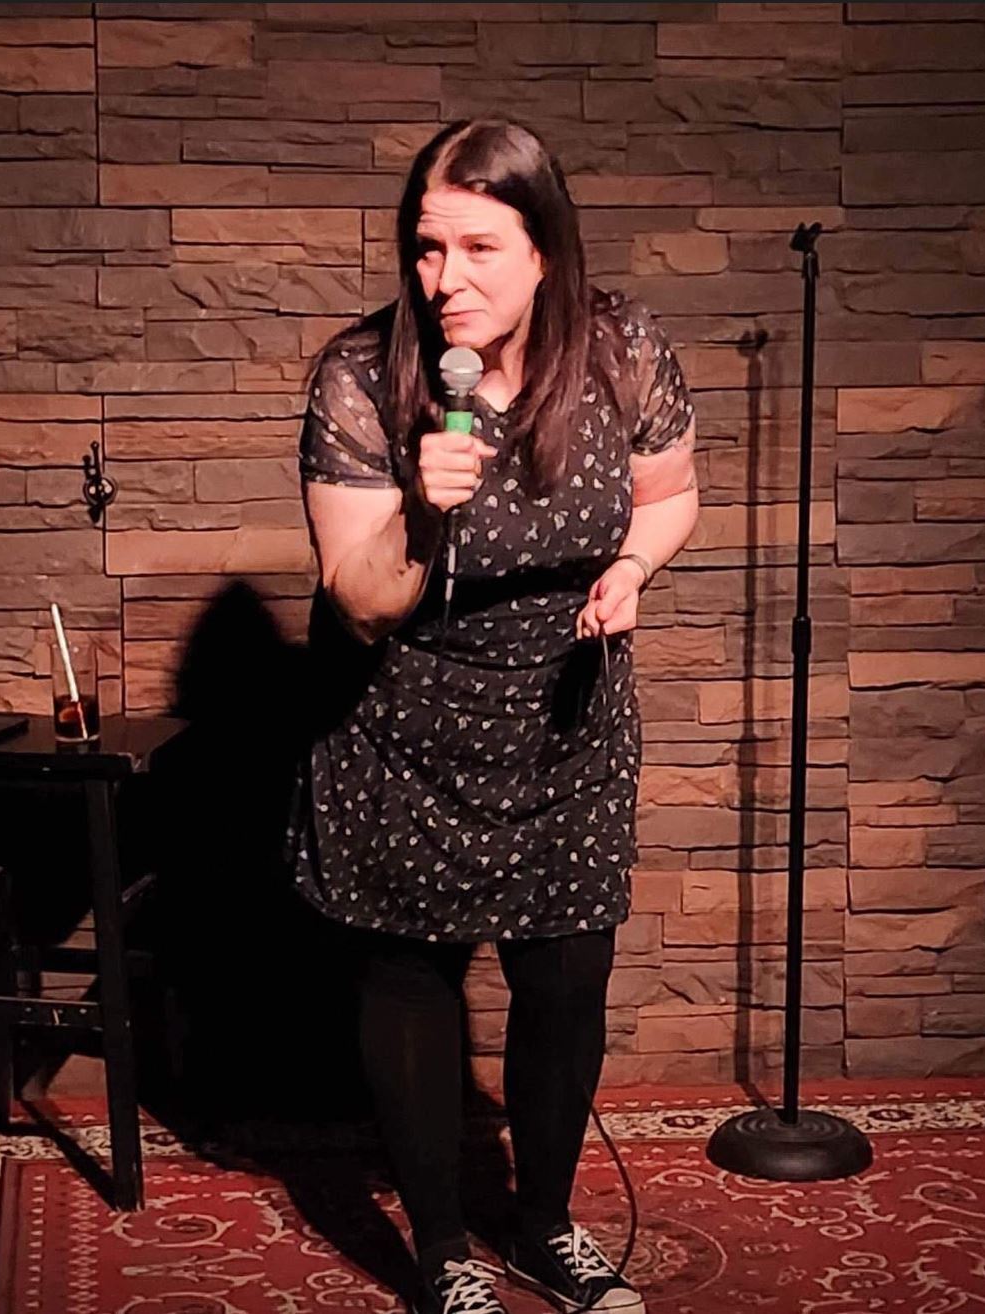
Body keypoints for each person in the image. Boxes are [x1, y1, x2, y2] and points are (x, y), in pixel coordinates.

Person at [288, 119, 699, 1314]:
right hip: (406, 724)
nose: (443, 279)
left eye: (477, 247)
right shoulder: (364, 376)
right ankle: (438, 1254)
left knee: (566, 981)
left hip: (565, 718)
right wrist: (418, 513)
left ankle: (543, 1226)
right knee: (413, 981)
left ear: (545, 254)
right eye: (425, 248)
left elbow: (671, 495)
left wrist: (628, 568)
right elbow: (356, 603)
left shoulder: (619, 346)